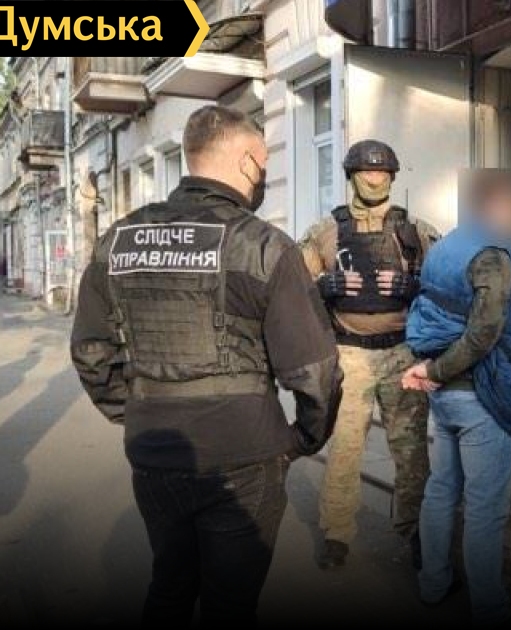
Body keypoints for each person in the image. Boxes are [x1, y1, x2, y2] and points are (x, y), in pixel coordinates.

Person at [70, 105, 343, 627]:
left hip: (154, 451)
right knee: (230, 606)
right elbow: (316, 371)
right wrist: (303, 440)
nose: (263, 173)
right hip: (245, 454)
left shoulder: (118, 240)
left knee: (170, 587)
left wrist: (137, 412)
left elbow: (90, 351)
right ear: (245, 161)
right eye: (262, 161)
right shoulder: (265, 246)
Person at [299, 140, 439, 570]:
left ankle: (414, 531)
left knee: (411, 453)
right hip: (350, 354)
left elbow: (449, 287)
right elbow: (293, 288)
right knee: (345, 449)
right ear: (352, 176)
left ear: (392, 177)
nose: (374, 179)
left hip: (402, 353)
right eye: (366, 172)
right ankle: (336, 532)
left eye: (381, 172)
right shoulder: (326, 231)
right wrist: (324, 287)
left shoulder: (416, 230)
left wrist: (416, 286)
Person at [401, 170, 511, 626]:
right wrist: (434, 372)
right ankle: (490, 609)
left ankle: (432, 583)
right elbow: (484, 333)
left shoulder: (446, 245)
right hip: (479, 394)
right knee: (484, 510)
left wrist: (432, 372)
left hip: (445, 399)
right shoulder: (492, 254)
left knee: (440, 489)